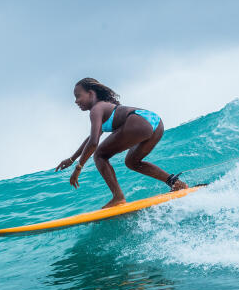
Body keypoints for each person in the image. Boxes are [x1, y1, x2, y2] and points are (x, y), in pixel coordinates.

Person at [55, 77, 188, 208]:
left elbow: (94, 143)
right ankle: (176, 183)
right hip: (155, 122)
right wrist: (72, 159)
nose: (76, 101)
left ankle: (118, 197)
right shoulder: (105, 107)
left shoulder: (96, 109)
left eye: (78, 96)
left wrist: (78, 168)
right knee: (132, 162)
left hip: (138, 121)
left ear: (90, 93)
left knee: (99, 155)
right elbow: (90, 139)